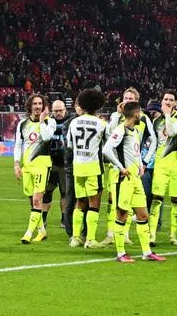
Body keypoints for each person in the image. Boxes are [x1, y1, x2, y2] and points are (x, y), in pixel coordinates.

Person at [103, 101, 166, 263]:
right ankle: (120, 253)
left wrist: (141, 165)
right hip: (124, 179)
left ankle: (147, 252)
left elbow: (134, 152)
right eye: (140, 113)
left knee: (142, 214)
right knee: (122, 214)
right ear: (135, 114)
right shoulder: (120, 130)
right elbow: (107, 149)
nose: (142, 116)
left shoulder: (135, 131)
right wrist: (121, 167)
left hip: (135, 179)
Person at [66, 89, 108, 249]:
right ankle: (90, 239)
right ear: (98, 106)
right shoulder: (102, 124)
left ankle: (75, 238)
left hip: (78, 167)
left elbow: (69, 145)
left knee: (80, 202)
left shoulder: (73, 122)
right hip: (93, 167)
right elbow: (107, 146)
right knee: (94, 203)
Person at [14, 94, 57, 244]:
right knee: (32, 201)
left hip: (42, 165)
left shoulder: (49, 122)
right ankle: (42, 231)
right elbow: (18, 145)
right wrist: (16, 164)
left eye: (40, 104)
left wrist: (41, 121)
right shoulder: (22, 124)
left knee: (38, 199)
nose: (38, 106)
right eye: (35, 104)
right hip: (27, 166)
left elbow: (46, 138)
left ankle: (28, 233)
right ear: (30, 106)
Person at [149, 90, 177, 245]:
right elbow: (153, 142)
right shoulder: (156, 121)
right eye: (165, 99)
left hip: (176, 163)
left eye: (171, 99)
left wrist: (166, 115)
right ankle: (151, 236)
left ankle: (173, 235)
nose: (168, 102)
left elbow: (171, 132)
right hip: (160, 164)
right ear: (162, 101)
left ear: (175, 103)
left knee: (175, 201)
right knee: (156, 199)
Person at [42, 98, 70, 235]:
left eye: (61, 110)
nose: (58, 113)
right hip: (50, 163)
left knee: (65, 193)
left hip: (65, 164)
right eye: (56, 111)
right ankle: (43, 218)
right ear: (52, 111)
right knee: (47, 191)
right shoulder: (48, 121)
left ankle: (64, 219)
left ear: (65, 109)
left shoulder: (71, 121)